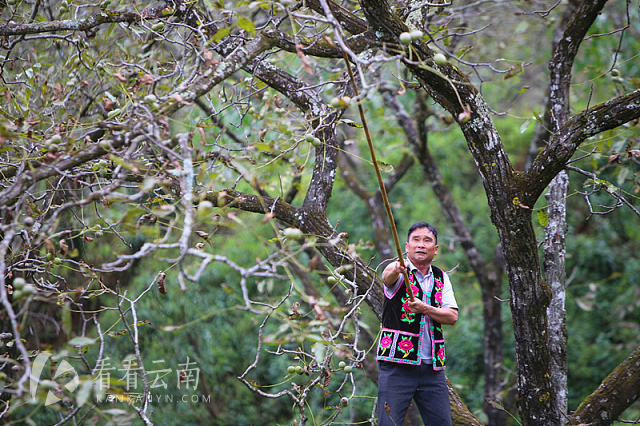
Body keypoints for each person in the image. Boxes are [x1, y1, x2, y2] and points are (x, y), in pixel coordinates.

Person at [376, 222, 458, 425]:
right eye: (416, 240)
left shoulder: (441, 277)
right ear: (406, 246)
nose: (421, 245)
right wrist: (397, 267)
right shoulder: (398, 271)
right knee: (388, 422)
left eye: (427, 240)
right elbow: (387, 278)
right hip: (397, 365)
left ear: (435, 249)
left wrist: (425, 308)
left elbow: (452, 316)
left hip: (433, 369)